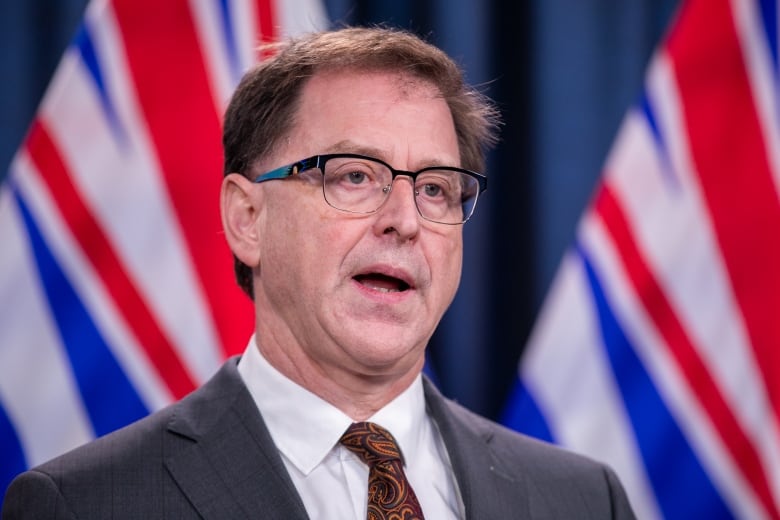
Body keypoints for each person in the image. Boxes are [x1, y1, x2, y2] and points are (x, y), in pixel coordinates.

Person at [2, 26, 636, 519]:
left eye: (437, 189)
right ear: (247, 218)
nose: (405, 220)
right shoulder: (85, 506)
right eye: (354, 175)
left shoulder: (582, 501)